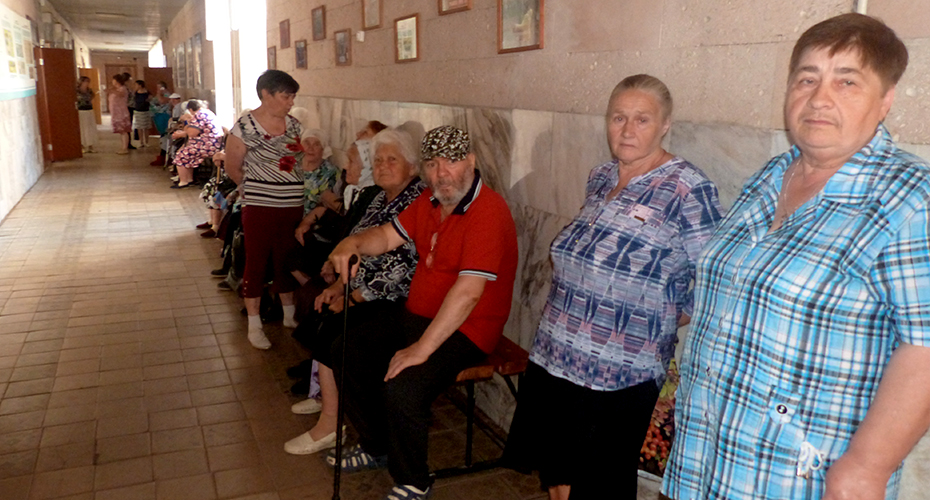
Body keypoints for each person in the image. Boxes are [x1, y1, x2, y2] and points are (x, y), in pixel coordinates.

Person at [663, 14, 930, 500]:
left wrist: (867, 467)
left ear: (886, 100)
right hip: (706, 459)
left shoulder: (909, 198)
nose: (819, 98)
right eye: (807, 79)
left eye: (847, 82)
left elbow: (926, 344)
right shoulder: (772, 176)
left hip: (799, 476)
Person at [503, 74, 723, 500]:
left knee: (599, 486)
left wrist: (660, 317)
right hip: (555, 354)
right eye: (618, 117)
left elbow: (714, 277)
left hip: (619, 373)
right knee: (559, 478)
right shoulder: (601, 176)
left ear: (665, 125)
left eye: (642, 119)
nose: (627, 130)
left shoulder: (687, 188)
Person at [325, 125, 518, 500]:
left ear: (471, 162)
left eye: (451, 162)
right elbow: (386, 236)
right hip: (419, 316)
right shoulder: (430, 200)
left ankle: (414, 480)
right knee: (347, 349)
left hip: (468, 328)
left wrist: (422, 349)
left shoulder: (489, 211)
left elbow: (468, 294)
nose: (441, 173)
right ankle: (376, 445)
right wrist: (353, 243)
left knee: (404, 386)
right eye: (432, 164)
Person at [284, 128, 425, 456]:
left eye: (392, 160)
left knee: (338, 330)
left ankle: (330, 423)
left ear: (413, 166)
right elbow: (356, 249)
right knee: (324, 313)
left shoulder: (418, 201)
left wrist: (353, 298)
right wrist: (338, 286)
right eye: (378, 160)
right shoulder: (378, 197)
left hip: (398, 298)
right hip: (365, 289)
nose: (383, 166)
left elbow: (402, 268)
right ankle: (326, 399)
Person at [224, 70, 304, 349]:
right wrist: (253, 189)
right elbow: (233, 167)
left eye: (293, 96)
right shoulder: (244, 127)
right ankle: (254, 324)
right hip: (260, 205)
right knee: (257, 260)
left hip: (291, 205)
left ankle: (289, 314)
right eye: (286, 96)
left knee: (286, 258)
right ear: (265, 94)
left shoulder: (294, 125)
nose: (290, 102)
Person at [170, 100, 223, 189]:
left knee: (181, 154)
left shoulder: (199, 115)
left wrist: (183, 130)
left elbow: (192, 133)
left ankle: (183, 181)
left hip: (208, 145)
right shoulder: (207, 112)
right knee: (185, 149)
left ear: (190, 110)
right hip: (214, 143)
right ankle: (189, 179)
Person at [107, 74, 131, 154]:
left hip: (121, 113)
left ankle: (125, 148)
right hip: (116, 113)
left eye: (113, 80)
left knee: (123, 130)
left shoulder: (122, 88)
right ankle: (123, 147)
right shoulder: (116, 89)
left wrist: (112, 90)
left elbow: (121, 94)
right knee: (121, 131)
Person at [76, 76, 96, 153]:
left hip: (89, 109)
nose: (87, 83)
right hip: (81, 110)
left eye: (88, 82)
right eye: (85, 82)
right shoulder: (77, 91)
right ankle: (82, 145)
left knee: (90, 128)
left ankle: (90, 145)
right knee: (82, 128)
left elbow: (92, 96)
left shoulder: (89, 90)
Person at [132, 80, 152, 149]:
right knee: (139, 127)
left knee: (146, 127)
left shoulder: (147, 92)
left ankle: (146, 142)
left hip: (146, 110)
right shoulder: (135, 93)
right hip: (138, 111)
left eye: (136, 85)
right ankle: (141, 142)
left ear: (140, 85)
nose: (135, 86)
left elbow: (150, 99)